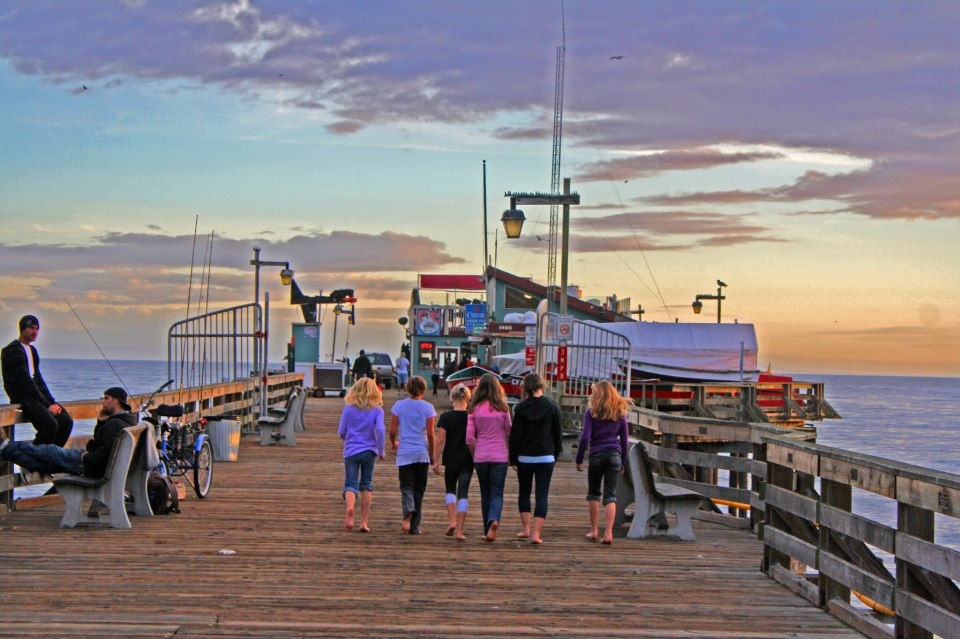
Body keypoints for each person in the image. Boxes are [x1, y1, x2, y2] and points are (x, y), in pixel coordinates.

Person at [0, 387, 136, 479]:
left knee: (51, 451)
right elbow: (102, 444)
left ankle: (7, 447)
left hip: (89, 465)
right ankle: (8, 452)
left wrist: (84, 457)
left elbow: (102, 453)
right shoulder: (125, 421)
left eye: (106, 398)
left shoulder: (115, 424)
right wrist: (100, 422)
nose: (103, 402)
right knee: (48, 465)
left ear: (116, 401)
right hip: (100, 469)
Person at [2, 314, 74, 446]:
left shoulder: (32, 350)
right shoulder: (13, 351)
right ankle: (33, 458)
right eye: (31, 328)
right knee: (50, 425)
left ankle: (52, 456)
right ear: (23, 329)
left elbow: (38, 380)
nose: (35, 332)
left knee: (66, 421)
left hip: (35, 395)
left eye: (37, 329)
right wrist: (47, 405)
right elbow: (25, 382)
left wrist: (52, 402)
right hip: (22, 396)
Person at [509, 373, 563, 545]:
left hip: (525, 457)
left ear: (526, 388)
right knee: (542, 494)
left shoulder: (520, 408)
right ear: (542, 386)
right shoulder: (552, 407)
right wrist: (555, 454)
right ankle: (536, 534)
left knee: (524, 492)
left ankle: (525, 529)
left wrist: (513, 457)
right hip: (546, 457)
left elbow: (515, 436)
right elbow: (558, 435)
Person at [576, 380, 632, 546]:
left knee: (593, 493)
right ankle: (608, 532)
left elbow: (585, 437)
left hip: (596, 455)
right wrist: (622, 463)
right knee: (610, 495)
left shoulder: (591, 412)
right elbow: (625, 442)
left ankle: (594, 530)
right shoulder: (620, 414)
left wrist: (579, 459)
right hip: (614, 455)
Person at [466, 373, 511, 542]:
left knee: (485, 492)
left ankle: (487, 529)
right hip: (500, 456)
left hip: (481, 456)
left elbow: (469, 438)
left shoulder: (474, 409)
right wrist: (510, 454)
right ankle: (494, 520)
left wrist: (474, 453)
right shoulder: (503, 408)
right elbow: (509, 432)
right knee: (497, 492)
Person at [337, 377, 386, 533]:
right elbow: (380, 430)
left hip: (351, 450)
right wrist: (381, 449)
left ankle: (350, 509)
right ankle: (364, 522)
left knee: (350, 483)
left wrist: (348, 438)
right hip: (369, 451)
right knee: (366, 485)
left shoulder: (349, 408)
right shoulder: (377, 410)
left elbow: (341, 431)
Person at [390, 375, 436, 534]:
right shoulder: (428, 408)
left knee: (406, 486)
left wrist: (393, 443)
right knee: (419, 489)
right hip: (421, 452)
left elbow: (392, 430)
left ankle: (408, 510)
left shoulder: (399, 406)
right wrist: (432, 455)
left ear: (408, 388)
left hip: (405, 453)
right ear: (423, 389)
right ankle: (415, 526)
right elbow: (430, 434)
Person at [433, 384, 473, 541]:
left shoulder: (446, 417)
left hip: (450, 459)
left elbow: (440, 440)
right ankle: (460, 531)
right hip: (467, 460)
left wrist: (435, 460)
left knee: (450, 490)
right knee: (463, 492)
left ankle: (452, 521)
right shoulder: (471, 417)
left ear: (452, 398)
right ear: (468, 399)